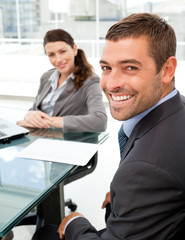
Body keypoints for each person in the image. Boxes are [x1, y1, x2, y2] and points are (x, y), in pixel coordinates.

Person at [31, 13, 185, 240]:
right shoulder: (177, 108)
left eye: (130, 67)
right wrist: (130, 196)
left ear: (168, 70)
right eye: (106, 68)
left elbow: (149, 171)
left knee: (45, 233)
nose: (111, 84)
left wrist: (75, 222)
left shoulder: (147, 168)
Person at [17, 29, 107, 132]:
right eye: (51, 55)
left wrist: (50, 121)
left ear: (74, 49)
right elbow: (35, 109)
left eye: (62, 51)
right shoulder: (47, 77)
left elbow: (100, 121)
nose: (58, 60)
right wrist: (30, 114)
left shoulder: (90, 81)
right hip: (40, 136)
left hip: (71, 142)